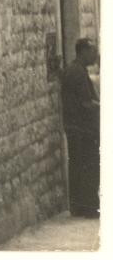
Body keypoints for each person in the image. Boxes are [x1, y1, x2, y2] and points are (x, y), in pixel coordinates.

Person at [61, 38, 100, 217]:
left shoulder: (76, 70)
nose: (95, 55)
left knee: (79, 165)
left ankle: (79, 207)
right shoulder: (77, 72)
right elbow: (85, 103)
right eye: (92, 51)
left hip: (76, 127)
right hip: (81, 128)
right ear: (83, 51)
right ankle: (89, 208)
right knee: (88, 166)